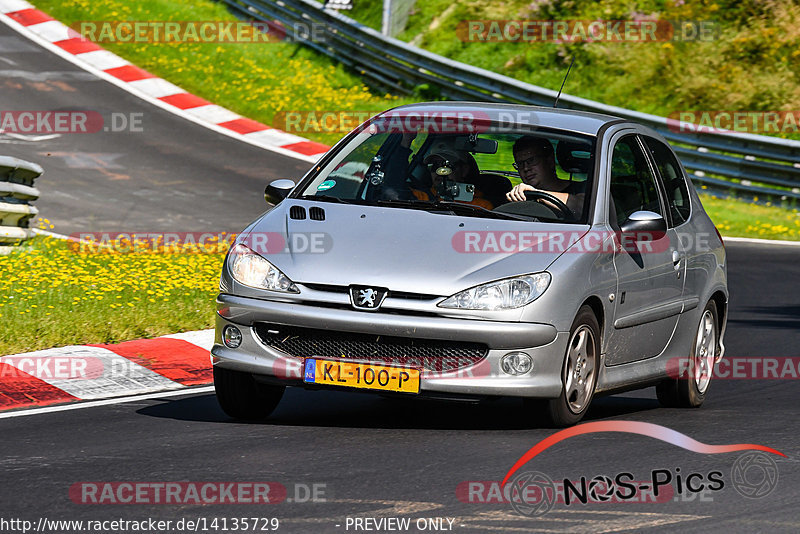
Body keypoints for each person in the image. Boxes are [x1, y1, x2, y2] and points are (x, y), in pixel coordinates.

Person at [505, 135, 585, 217]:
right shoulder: (519, 197)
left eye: (531, 160)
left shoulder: (582, 188)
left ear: (550, 161)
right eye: (520, 164)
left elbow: (581, 207)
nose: (525, 168)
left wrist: (537, 194)